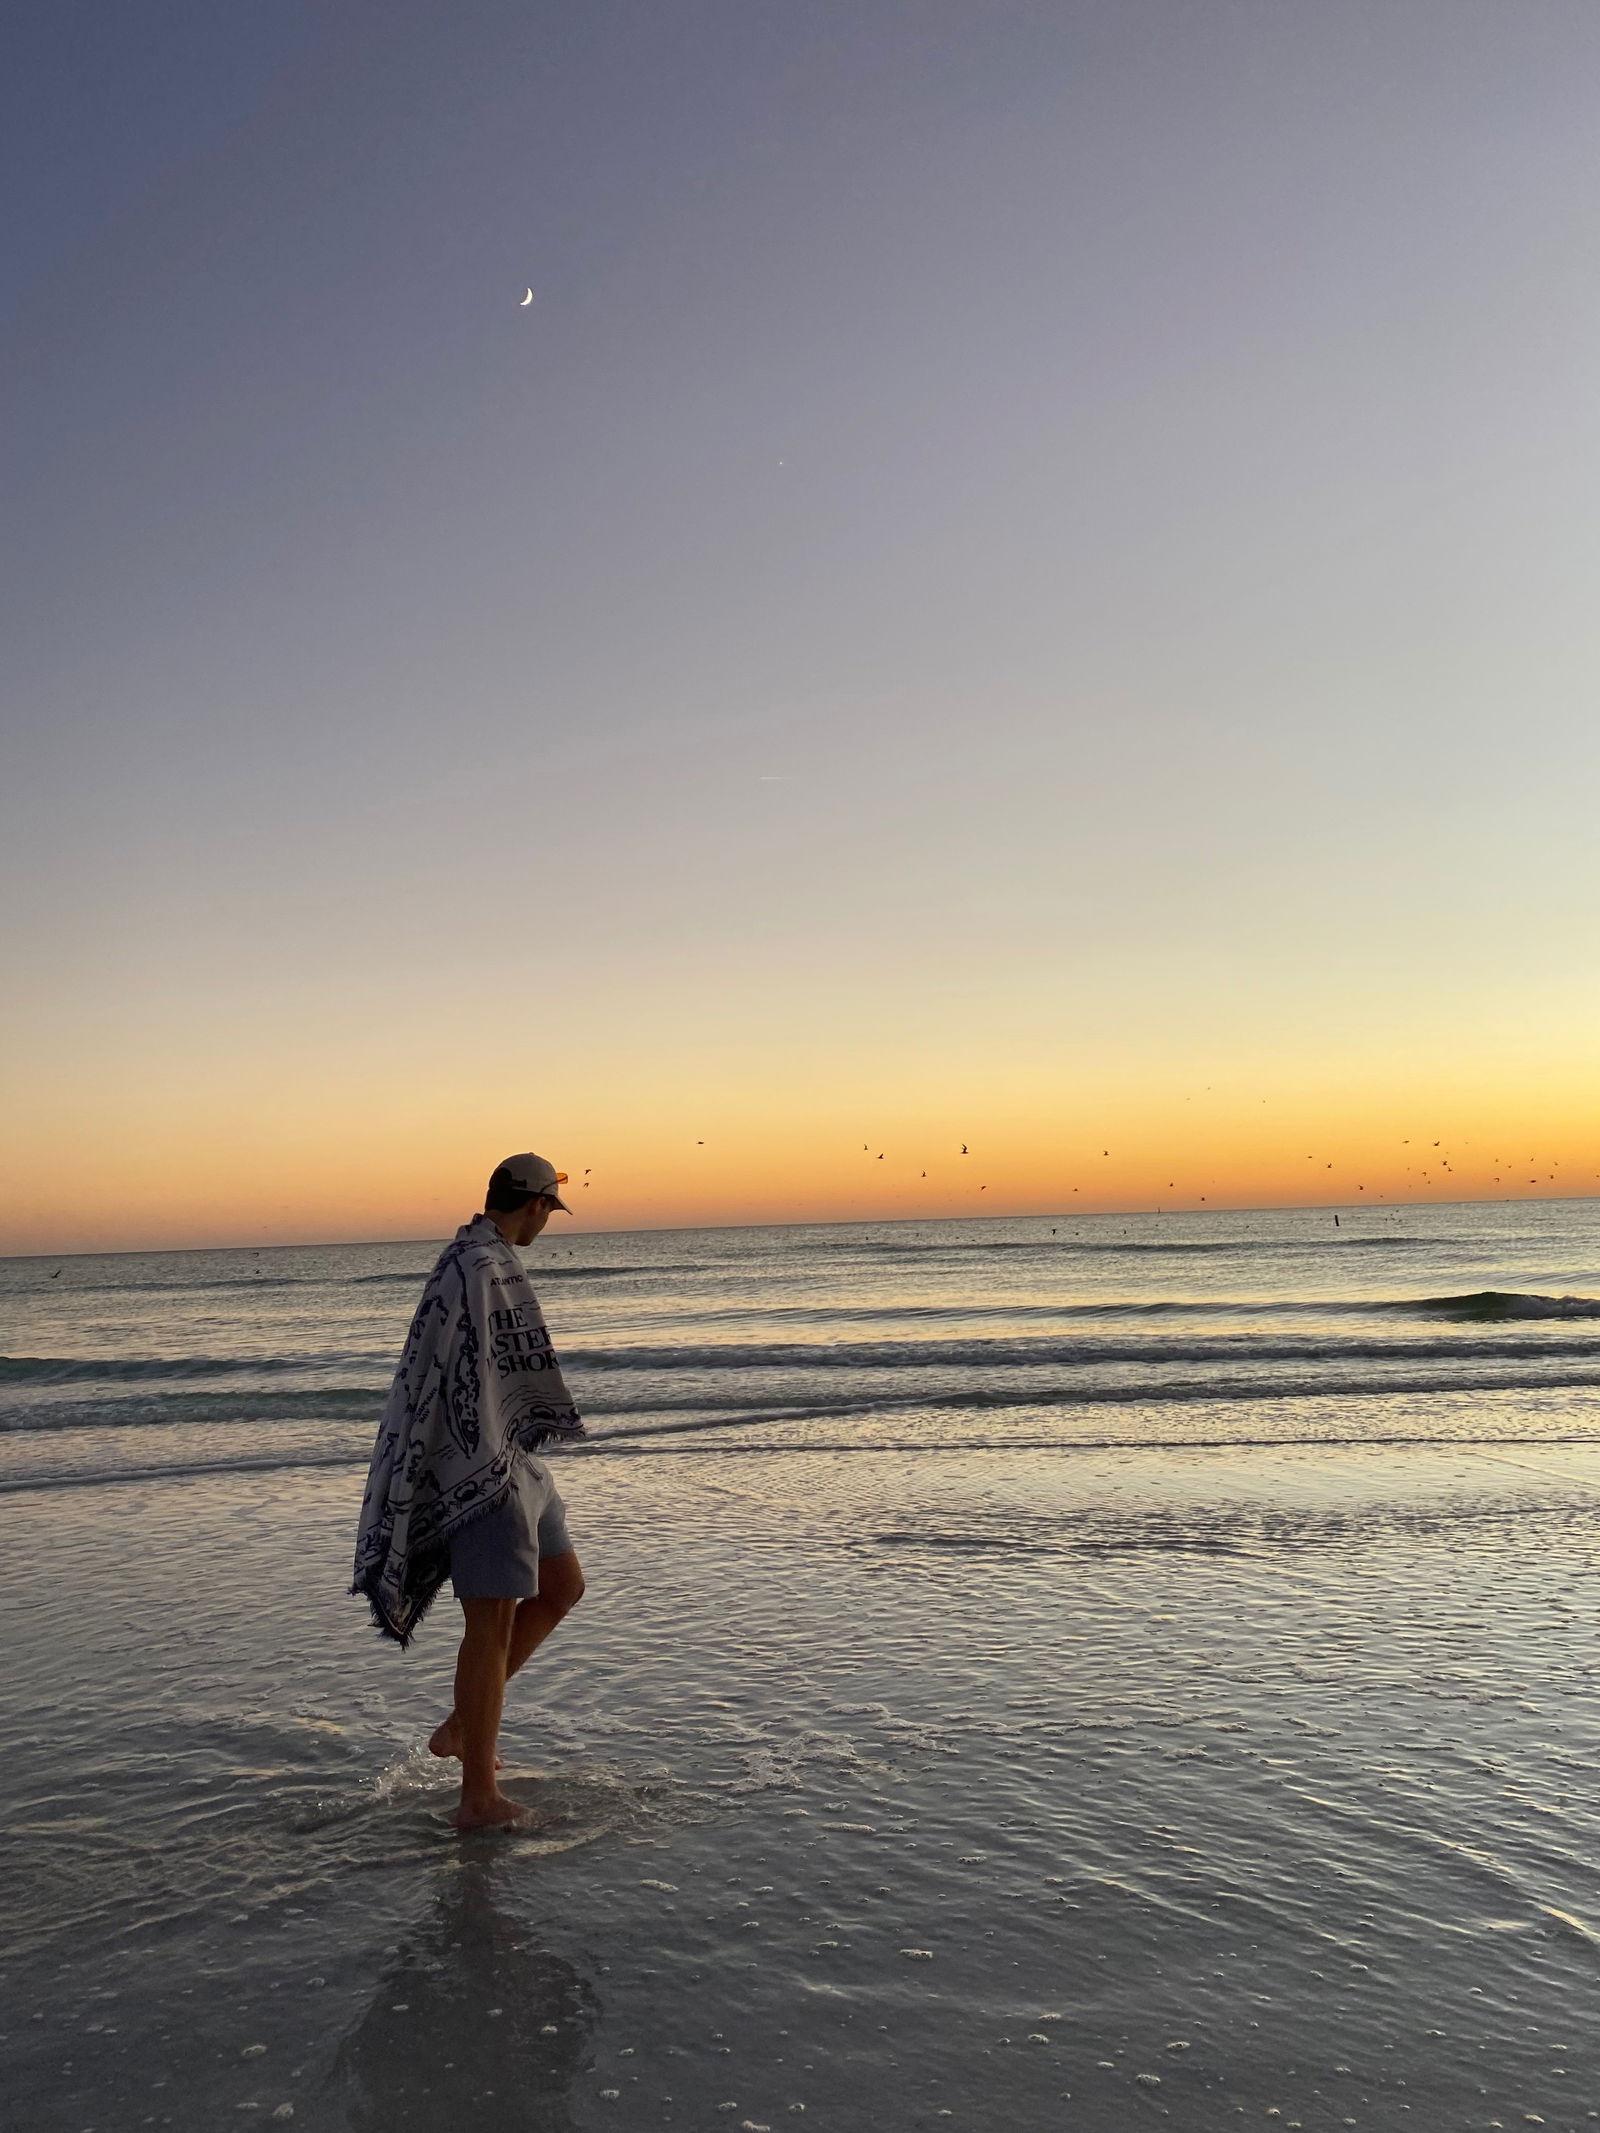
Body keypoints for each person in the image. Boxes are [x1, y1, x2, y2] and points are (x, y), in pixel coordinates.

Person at [352, 1153, 588, 1830]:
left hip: (513, 1461)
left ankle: (463, 1726)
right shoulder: (477, 1264)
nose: (548, 1221)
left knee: (562, 1587)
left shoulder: (481, 1259)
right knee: (491, 1625)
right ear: (536, 1204)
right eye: (549, 1209)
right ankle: (478, 1796)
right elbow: (455, 1375)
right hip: (481, 1470)